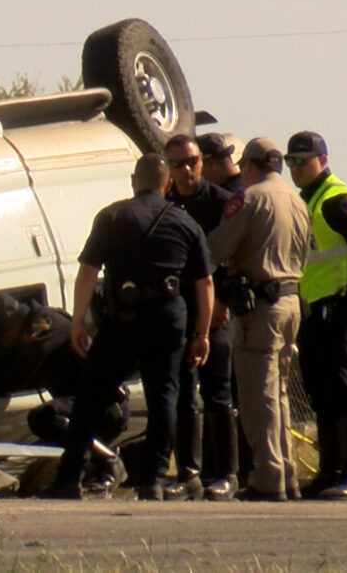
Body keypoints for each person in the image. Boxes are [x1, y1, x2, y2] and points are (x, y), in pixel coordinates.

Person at [47, 153, 214, 500]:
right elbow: (204, 284)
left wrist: (78, 321)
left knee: (90, 396)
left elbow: (88, 272)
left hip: (122, 318)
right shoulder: (185, 224)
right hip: (168, 318)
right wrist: (202, 333)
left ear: (133, 181)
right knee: (163, 396)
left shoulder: (112, 216)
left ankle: (68, 478)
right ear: (168, 184)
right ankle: (152, 480)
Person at [0, 290, 130, 494]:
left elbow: (14, 376)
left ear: (8, 324)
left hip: (107, 407)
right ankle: (71, 482)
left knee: (45, 417)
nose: (1, 342)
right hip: (87, 406)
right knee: (47, 432)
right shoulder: (34, 327)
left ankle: (110, 462)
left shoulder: (43, 323)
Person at [207, 138, 310, 501]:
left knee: (257, 395)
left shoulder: (249, 198)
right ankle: (286, 472)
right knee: (278, 393)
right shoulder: (296, 200)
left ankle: (268, 477)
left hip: (259, 308)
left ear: (248, 166)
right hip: (290, 301)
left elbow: (217, 248)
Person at [285, 131, 347, 501]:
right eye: (291, 162)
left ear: (322, 160)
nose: (296, 168)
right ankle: (330, 469)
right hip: (315, 309)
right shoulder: (305, 201)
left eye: (303, 161)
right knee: (319, 387)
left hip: (341, 306)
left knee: (342, 384)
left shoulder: (337, 201)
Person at [163, 135, 238, 500]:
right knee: (181, 394)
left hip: (216, 310)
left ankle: (224, 473)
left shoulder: (222, 202)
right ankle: (188, 471)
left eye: (192, 161)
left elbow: (238, 255)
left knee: (217, 393)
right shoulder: (167, 204)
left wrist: (222, 299)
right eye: (178, 163)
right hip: (180, 311)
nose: (187, 169)